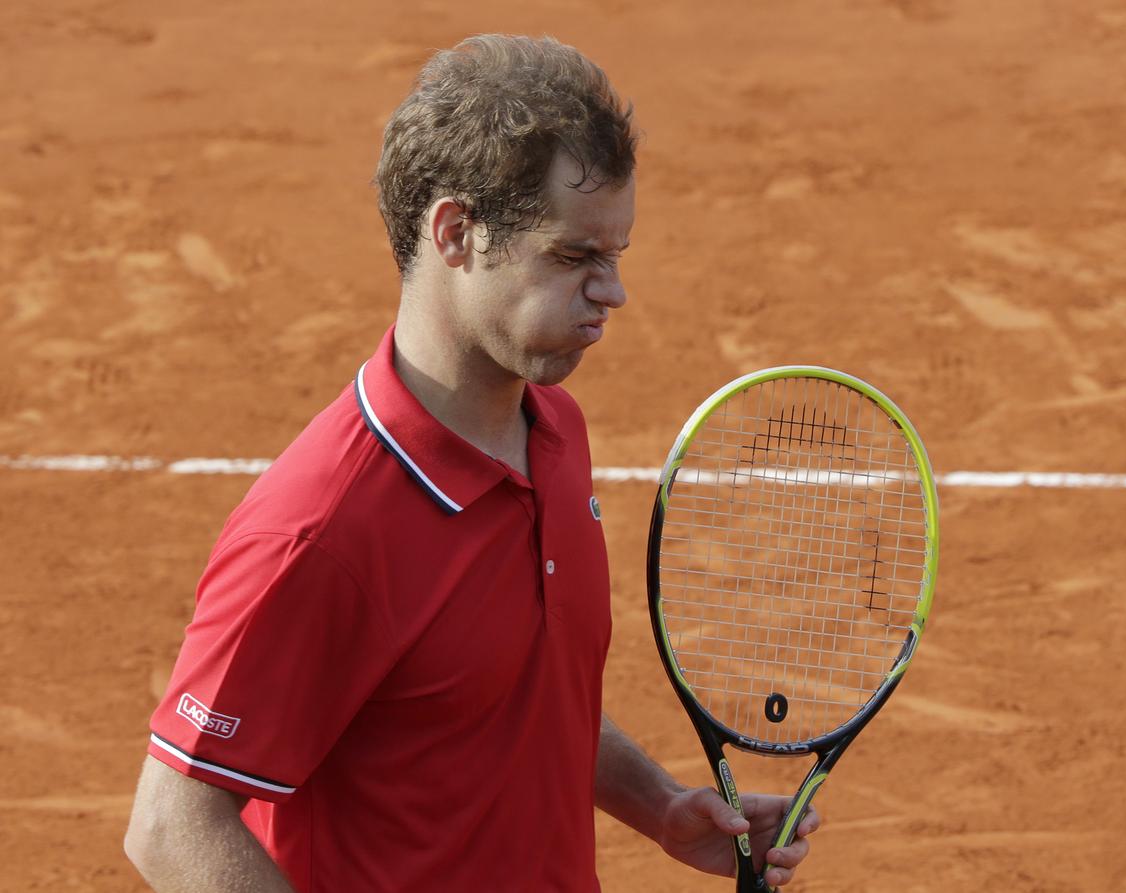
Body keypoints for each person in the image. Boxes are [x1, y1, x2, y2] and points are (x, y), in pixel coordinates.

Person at [124, 34, 819, 891]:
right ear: (456, 232)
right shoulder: (323, 529)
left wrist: (662, 805)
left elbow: (503, 700)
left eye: (615, 256)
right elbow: (170, 823)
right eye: (573, 257)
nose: (613, 291)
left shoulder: (554, 434)